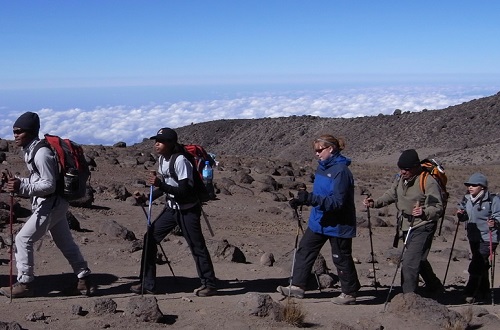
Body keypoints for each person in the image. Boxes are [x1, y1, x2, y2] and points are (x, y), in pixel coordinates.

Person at [0, 112, 92, 299]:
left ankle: (25, 283)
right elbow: (38, 179)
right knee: (65, 243)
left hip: (51, 204)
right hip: (54, 204)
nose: (15, 135)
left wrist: (21, 187)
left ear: (32, 132)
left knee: (22, 239)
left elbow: (48, 185)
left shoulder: (41, 153)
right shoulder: (33, 150)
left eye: (19, 132)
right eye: (14, 131)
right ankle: (84, 280)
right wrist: (16, 181)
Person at [130, 127, 217, 296]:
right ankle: (147, 283)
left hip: (188, 210)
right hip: (172, 208)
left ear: (170, 143)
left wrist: (159, 184)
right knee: (150, 239)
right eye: (156, 141)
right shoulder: (163, 160)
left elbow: (183, 191)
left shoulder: (181, 161)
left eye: (160, 142)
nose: (156, 144)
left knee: (196, 246)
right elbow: (167, 187)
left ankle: (209, 284)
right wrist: (148, 197)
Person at [277, 134, 360, 305]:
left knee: (341, 257)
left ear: (331, 149)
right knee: (305, 250)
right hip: (319, 220)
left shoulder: (341, 171)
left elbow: (337, 202)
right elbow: (320, 194)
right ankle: (298, 286)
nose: (316, 154)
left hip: (338, 223)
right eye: (315, 150)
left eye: (319, 150)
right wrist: (303, 199)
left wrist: (310, 199)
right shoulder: (322, 168)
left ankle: (349, 293)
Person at [364, 149, 444, 295]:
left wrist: (424, 211)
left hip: (423, 225)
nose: (402, 172)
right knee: (418, 259)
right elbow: (391, 194)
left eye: (406, 169)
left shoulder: (427, 181)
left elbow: (438, 207)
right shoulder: (401, 179)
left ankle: (408, 299)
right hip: (407, 225)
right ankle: (435, 286)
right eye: (400, 169)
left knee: (409, 263)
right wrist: (375, 203)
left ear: (415, 167)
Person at [457, 172, 499, 303]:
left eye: (474, 185)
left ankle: (469, 293)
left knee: (476, 264)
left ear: (482, 187)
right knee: (482, 263)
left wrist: (495, 222)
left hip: (489, 237)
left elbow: (498, 215)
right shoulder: (466, 199)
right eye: (469, 185)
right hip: (473, 236)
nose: (470, 187)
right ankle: (484, 291)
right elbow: (464, 214)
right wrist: (461, 215)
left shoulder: (493, 200)